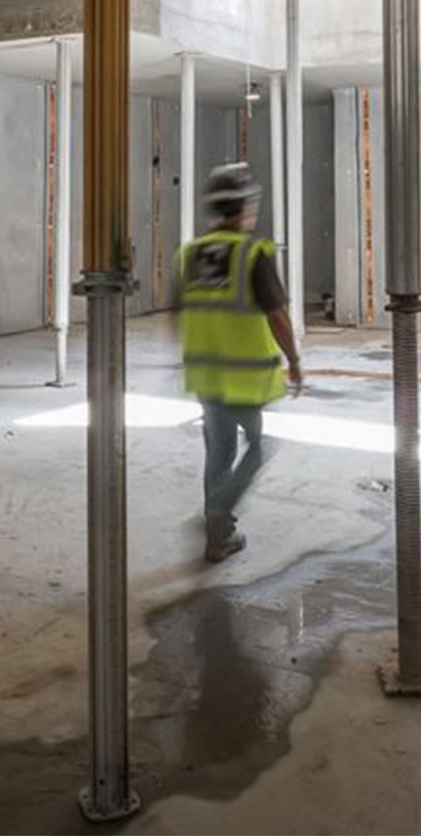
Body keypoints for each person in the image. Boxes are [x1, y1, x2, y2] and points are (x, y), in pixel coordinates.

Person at [176, 161, 303, 562]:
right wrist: (295, 360)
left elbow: (179, 314)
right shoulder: (253, 254)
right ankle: (217, 515)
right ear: (245, 207)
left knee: (218, 452)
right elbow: (277, 314)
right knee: (258, 447)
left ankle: (218, 538)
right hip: (245, 380)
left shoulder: (190, 254)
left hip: (205, 374)